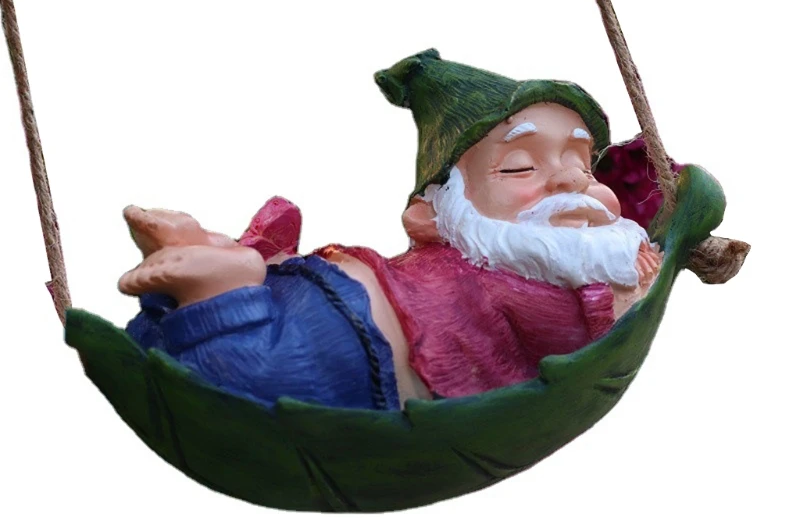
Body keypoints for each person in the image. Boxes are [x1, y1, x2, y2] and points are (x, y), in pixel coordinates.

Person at [121, 50, 662, 412]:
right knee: (255, 375)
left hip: (331, 286)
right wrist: (631, 283)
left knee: (207, 353)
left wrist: (624, 256)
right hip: (364, 341)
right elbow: (571, 339)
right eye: (520, 167)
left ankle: (218, 270)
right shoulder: (514, 278)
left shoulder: (534, 254)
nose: (570, 181)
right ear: (429, 217)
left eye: (585, 165)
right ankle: (222, 282)